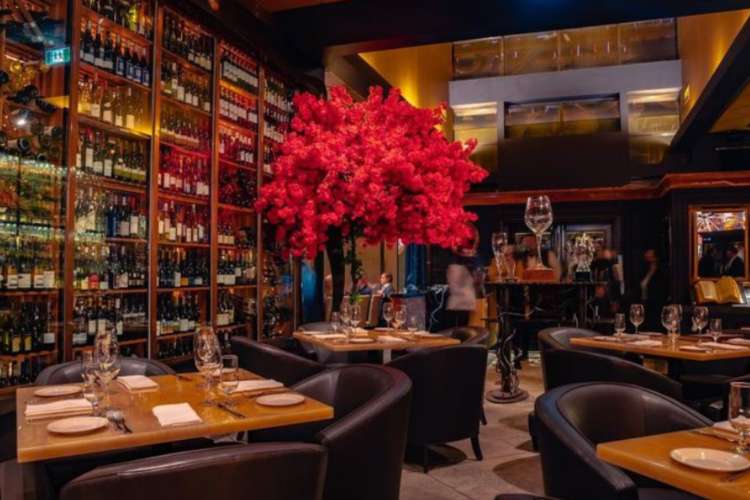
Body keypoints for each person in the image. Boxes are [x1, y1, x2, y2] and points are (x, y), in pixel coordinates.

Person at [638, 248, 669, 331]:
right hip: (644, 304)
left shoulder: (662, 271)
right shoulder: (644, 269)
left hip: (656, 306)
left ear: (655, 257)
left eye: (650, 255)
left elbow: (661, 291)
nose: (647, 256)